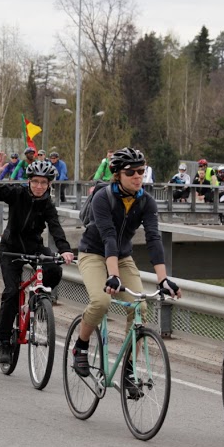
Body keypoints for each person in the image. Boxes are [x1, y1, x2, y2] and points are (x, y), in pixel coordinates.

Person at [70, 147, 181, 383]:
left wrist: (163, 279)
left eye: (141, 171)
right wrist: (113, 275)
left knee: (139, 309)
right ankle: (80, 345)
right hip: (93, 253)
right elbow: (108, 235)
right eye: (131, 172)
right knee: (101, 301)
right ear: (117, 174)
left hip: (123, 257)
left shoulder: (146, 202)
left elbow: (153, 238)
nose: (138, 176)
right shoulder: (103, 197)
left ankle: (129, 370)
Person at [0, 155, 75, 363]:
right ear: (29, 181)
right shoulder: (17, 193)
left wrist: (65, 250)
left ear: (49, 184)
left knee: (54, 268)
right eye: (35, 181)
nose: (39, 186)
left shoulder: (47, 204)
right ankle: (4, 341)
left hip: (33, 247)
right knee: (11, 291)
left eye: (44, 182)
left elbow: (55, 227)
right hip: (11, 248)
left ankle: (38, 299)